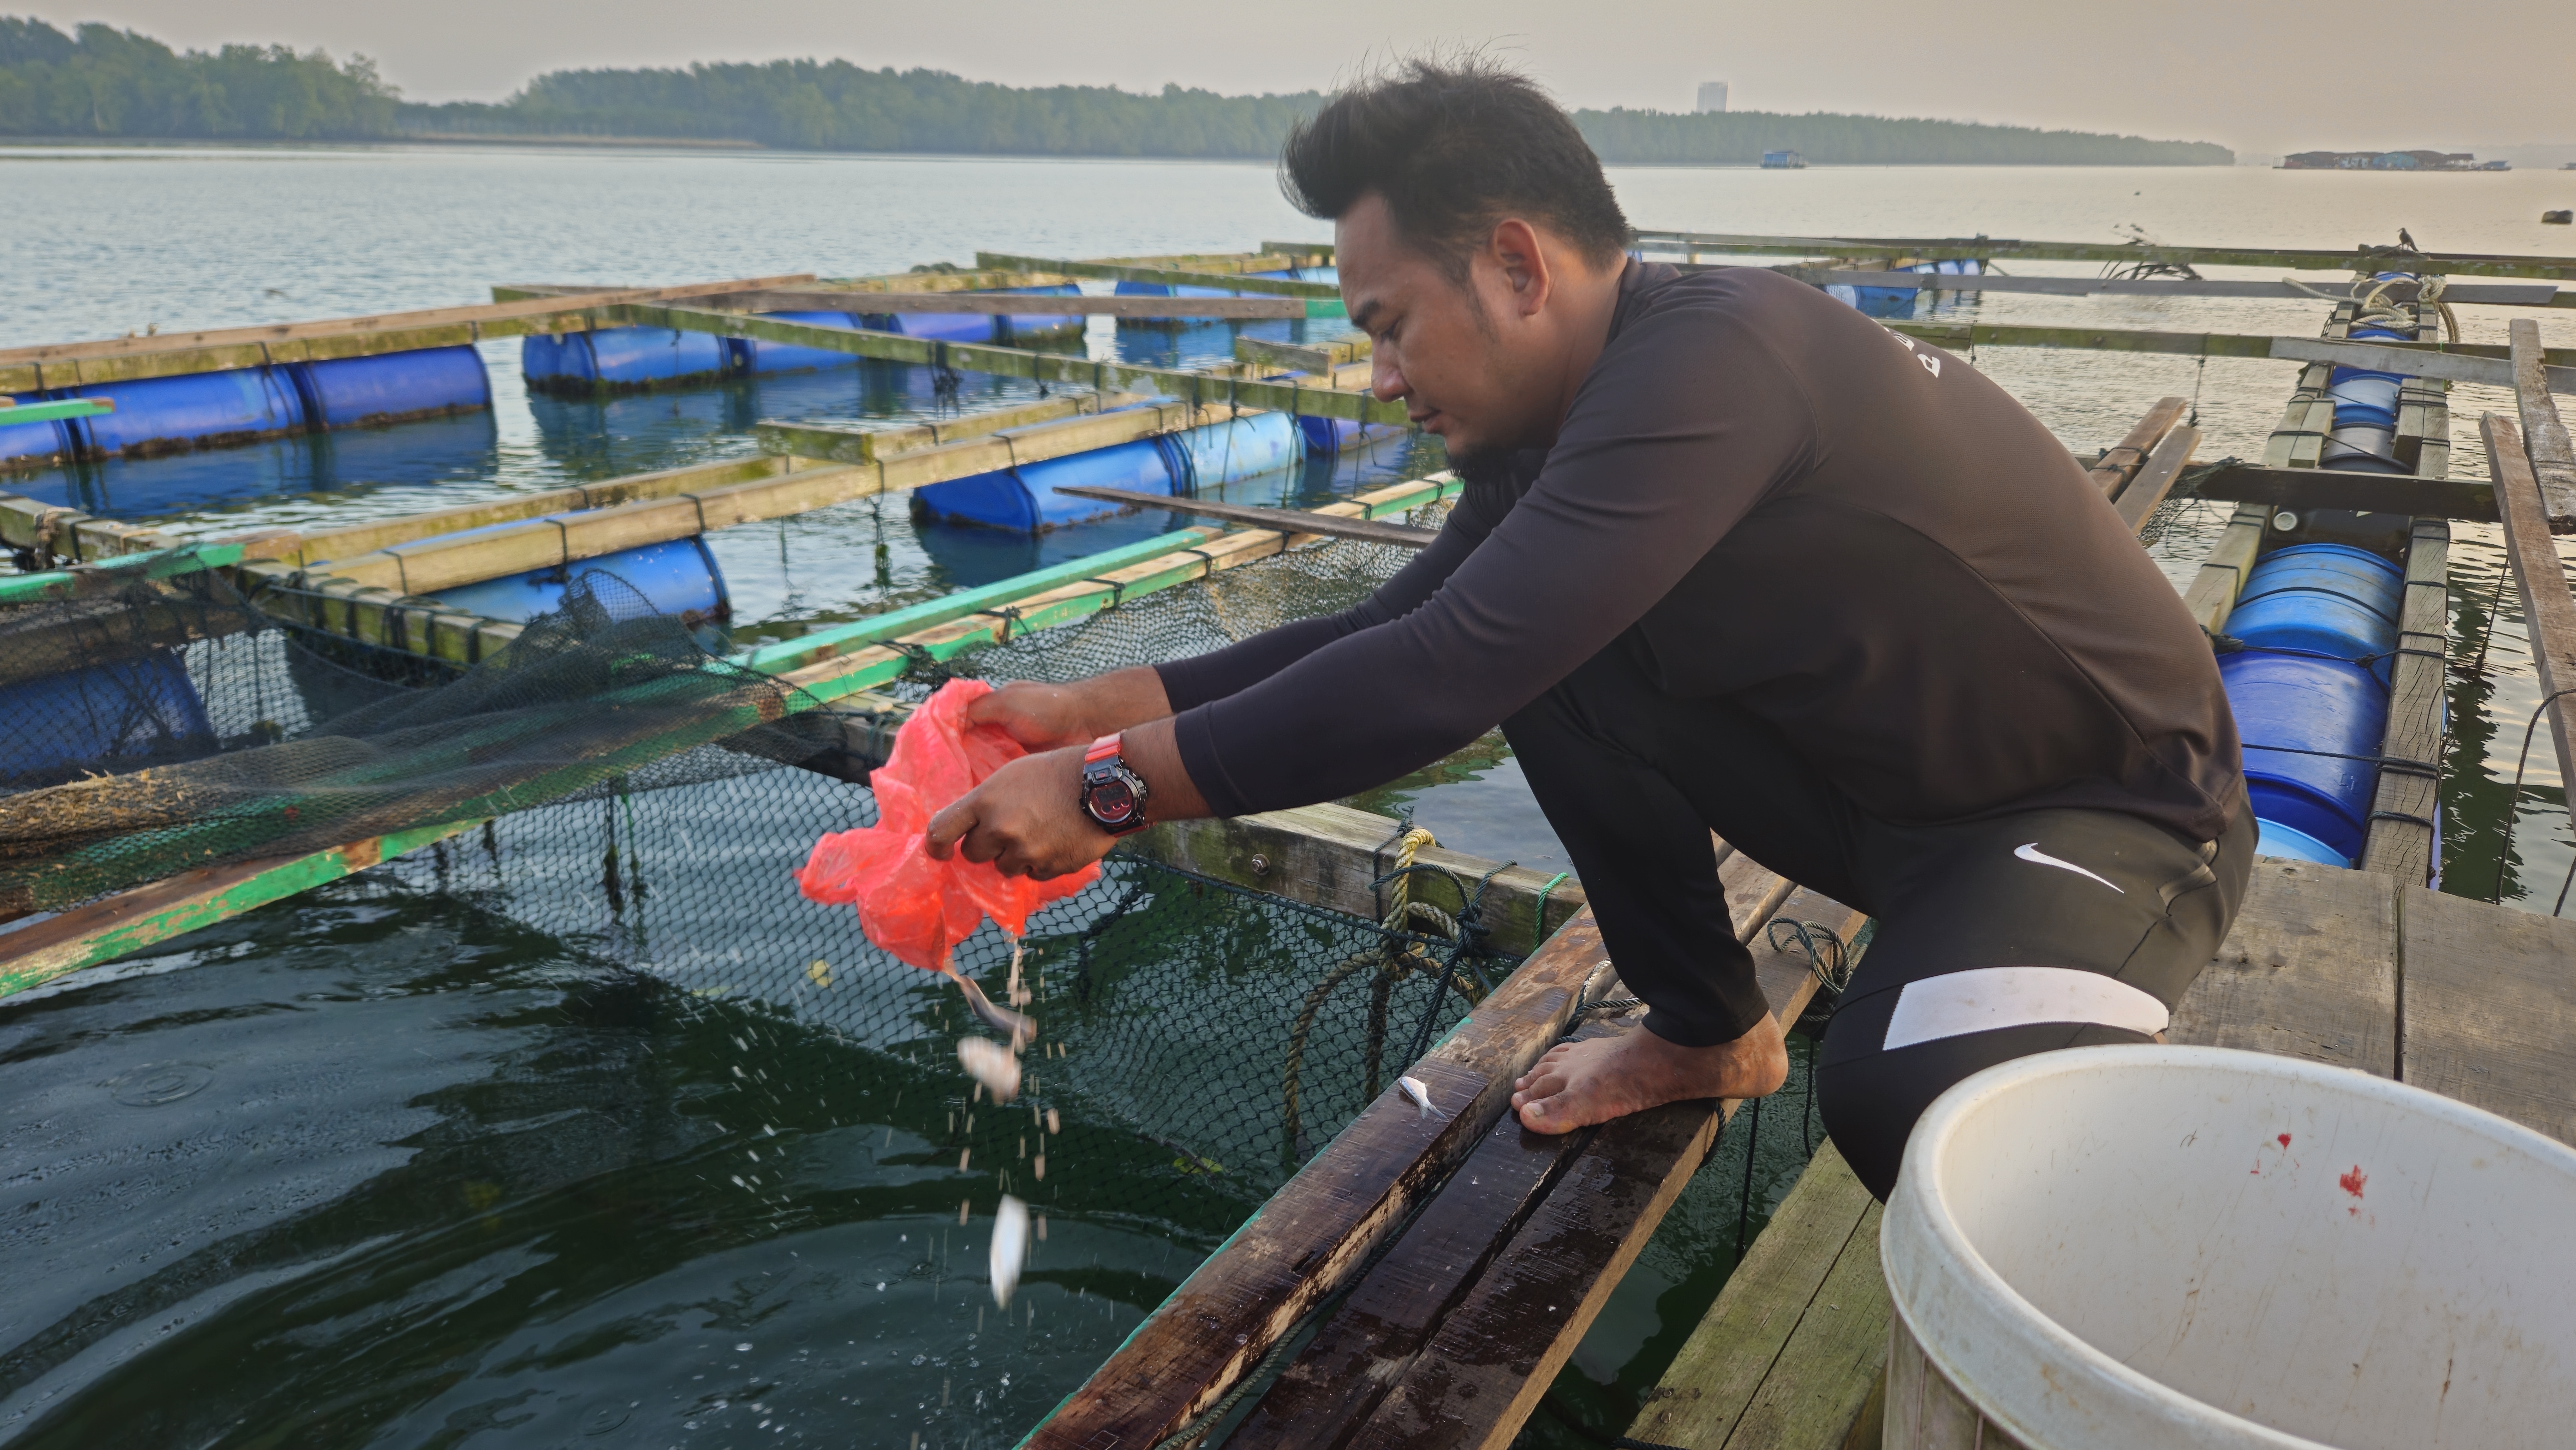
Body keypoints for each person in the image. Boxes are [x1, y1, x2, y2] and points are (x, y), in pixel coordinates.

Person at [924, 58, 2251, 1200]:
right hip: (1884, 808)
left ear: (1515, 263)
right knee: (1543, 653)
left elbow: (1432, 677)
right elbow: (1407, 624)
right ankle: (1709, 1029)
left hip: (2115, 813)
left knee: (1917, 1100)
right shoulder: (1546, 437)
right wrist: (1092, 712)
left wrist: (1107, 793)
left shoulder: (1719, 361)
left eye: (1391, 329)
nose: (1381, 380)